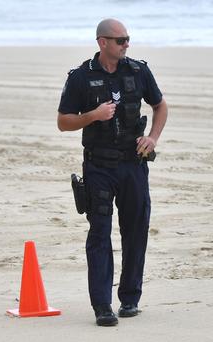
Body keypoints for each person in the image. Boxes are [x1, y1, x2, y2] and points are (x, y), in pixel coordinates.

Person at [57, 18, 168, 327]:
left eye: (128, 39)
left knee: (135, 231)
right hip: (99, 167)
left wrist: (153, 138)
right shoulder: (81, 78)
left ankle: (130, 299)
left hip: (133, 164)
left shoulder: (138, 71)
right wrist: (92, 115)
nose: (126, 45)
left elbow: (161, 106)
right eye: (120, 40)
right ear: (102, 43)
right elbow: (63, 121)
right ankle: (102, 305)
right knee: (100, 234)